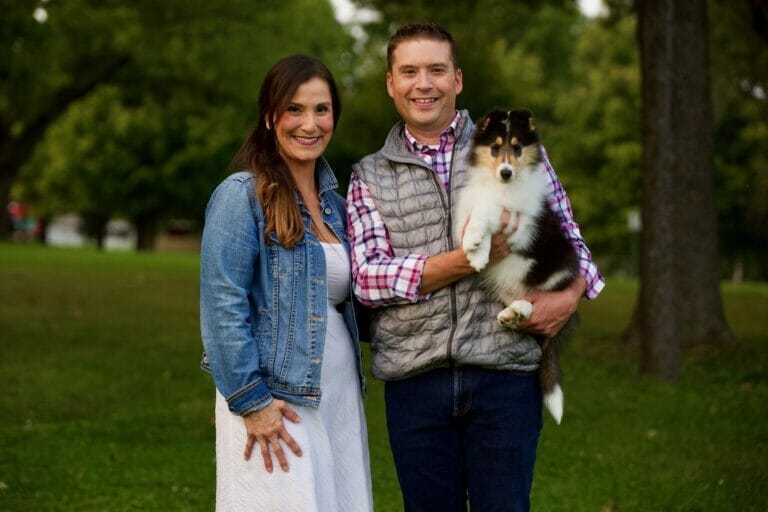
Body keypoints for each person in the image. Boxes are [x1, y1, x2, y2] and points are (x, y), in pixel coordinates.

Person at [346, 23, 605, 512]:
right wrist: (467, 260)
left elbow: (571, 238)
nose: (424, 84)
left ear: (457, 80)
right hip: (414, 381)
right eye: (409, 72)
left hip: (504, 376)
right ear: (390, 83)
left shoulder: (512, 148)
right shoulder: (369, 175)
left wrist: (568, 298)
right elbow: (368, 278)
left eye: (436, 70)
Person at [199, 54, 373, 512]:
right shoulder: (242, 195)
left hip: (337, 397)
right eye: (295, 109)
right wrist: (250, 400)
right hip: (276, 399)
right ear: (270, 116)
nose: (310, 123)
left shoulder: (335, 204)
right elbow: (222, 304)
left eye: (322, 109)